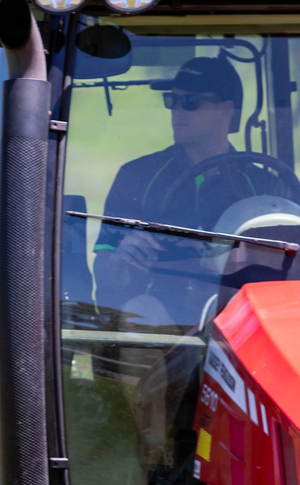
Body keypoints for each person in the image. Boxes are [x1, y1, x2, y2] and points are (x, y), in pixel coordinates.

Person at [92, 55, 279, 325]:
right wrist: (119, 261)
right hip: (155, 321)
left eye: (189, 102)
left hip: (240, 320)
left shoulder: (265, 186)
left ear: (226, 110)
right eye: (172, 100)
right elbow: (105, 280)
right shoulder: (136, 177)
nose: (176, 111)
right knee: (139, 311)